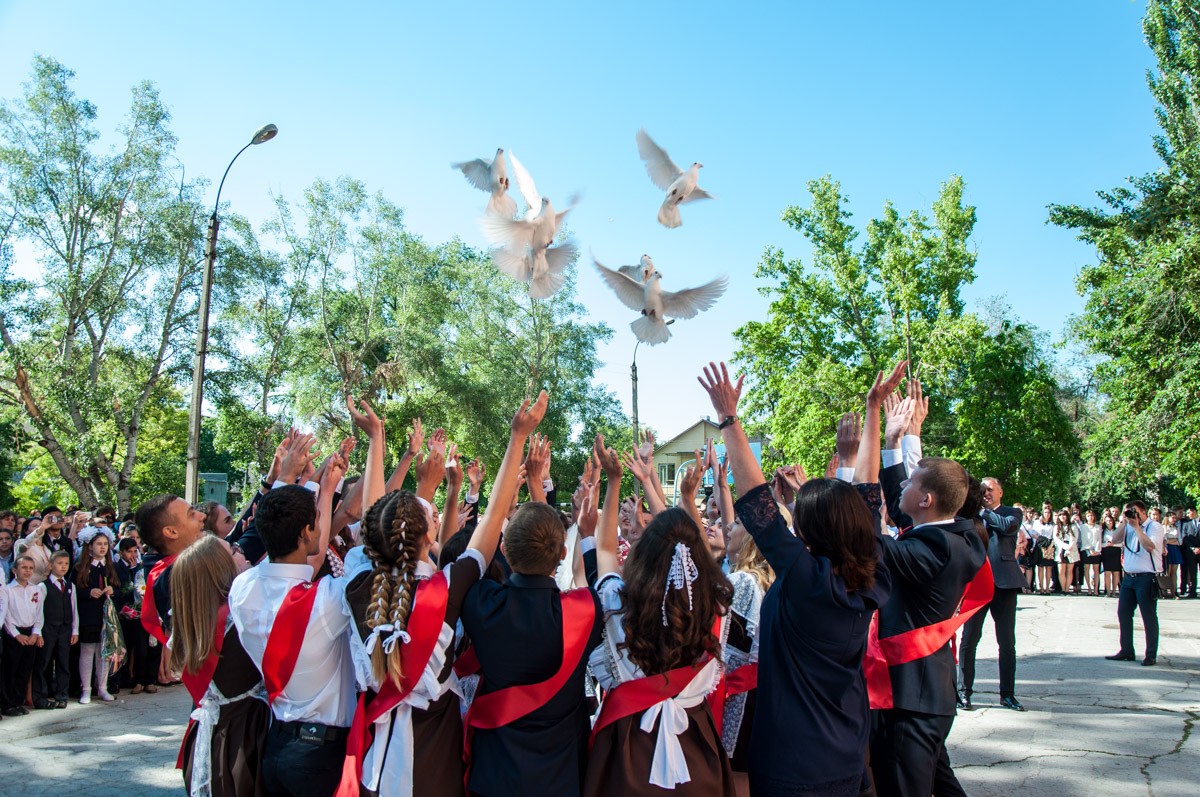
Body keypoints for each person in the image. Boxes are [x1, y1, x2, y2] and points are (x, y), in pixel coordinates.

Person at [700, 361, 889, 797]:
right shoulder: (870, 574)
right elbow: (868, 496)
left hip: (792, 763)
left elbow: (754, 502)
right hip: (845, 751)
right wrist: (871, 413)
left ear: (809, 531)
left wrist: (729, 418)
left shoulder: (808, 580)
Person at [457, 397, 605, 797]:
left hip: (495, 773)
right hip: (559, 776)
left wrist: (517, 438)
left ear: (504, 550)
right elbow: (601, 582)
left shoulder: (481, 603)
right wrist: (588, 537)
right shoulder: (583, 613)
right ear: (562, 554)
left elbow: (486, 526)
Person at [585, 430, 736, 797]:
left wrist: (615, 480)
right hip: (698, 750)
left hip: (628, 751)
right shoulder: (716, 604)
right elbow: (688, 542)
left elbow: (605, 548)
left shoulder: (616, 604)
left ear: (642, 554)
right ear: (697, 557)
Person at [872, 385, 990, 797]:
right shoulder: (960, 535)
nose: (898, 491)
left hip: (911, 701)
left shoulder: (930, 550)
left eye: (910, 484)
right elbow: (905, 502)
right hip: (929, 693)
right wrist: (897, 442)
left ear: (925, 499)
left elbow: (867, 539)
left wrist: (864, 449)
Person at [227, 444, 348, 797]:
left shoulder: (242, 588)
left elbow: (303, 558)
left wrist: (316, 489)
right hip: (319, 754)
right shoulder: (325, 601)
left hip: (276, 740)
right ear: (305, 533)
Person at [171, 534, 270, 797]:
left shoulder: (196, 621)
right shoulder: (236, 623)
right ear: (220, 568)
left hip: (210, 737)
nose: (242, 552)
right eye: (234, 549)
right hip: (242, 741)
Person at [958, 477, 1026, 712]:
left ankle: (1007, 694)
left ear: (1000, 492)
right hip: (977, 583)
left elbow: (1008, 528)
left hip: (1005, 583)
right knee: (969, 639)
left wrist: (986, 513)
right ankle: (964, 692)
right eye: (983, 490)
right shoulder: (971, 514)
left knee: (1006, 642)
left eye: (990, 490)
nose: (986, 493)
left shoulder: (1012, 513)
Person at [1106, 501, 1165, 666]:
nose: (1131, 514)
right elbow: (1113, 539)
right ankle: (1126, 650)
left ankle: (1151, 654)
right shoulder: (1128, 526)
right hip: (1129, 577)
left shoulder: (1154, 527)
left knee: (1148, 617)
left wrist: (1137, 527)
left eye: (1134, 512)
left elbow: (1149, 546)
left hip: (1146, 577)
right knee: (1123, 613)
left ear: (1143, 513)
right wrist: (1125, 522)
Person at [74, 527, 120, 703]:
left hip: (106, 616)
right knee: (88, 651)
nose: (102, 547)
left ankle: (103, 687)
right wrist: (88, 593)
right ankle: (86, 689)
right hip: (88, 615)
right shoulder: (81, 568)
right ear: (90, 546)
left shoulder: (110, 567)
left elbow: (121, 587)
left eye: (105, 544)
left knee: (104, 652)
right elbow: (74, 591)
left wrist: (112, 590)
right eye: (98, 544)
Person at [33, 550, 76, 709]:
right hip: (48, 629)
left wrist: (74, 630)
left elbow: (73, 609)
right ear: (51, 565)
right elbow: (38, 611)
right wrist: (38, 632)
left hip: (64, 629)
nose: (63, 566)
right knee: (43, 662)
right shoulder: (43, 586)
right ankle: (40, 696)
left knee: (63, 663)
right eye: (60, 563)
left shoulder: (70, 586)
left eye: (66, 564)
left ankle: (62, 695)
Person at [2, 555, 44, 716]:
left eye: (30, 568)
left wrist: (36, 633)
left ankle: (18, 701)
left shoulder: (36, 589)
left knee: (24, 669)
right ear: (14, 570)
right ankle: (7, 703)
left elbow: (39, 613)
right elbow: (6, 615)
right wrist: (15, 634)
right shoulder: (8, 590)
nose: (27, 571)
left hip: (30, 633)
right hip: (14, 634)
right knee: (10, 669)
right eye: (24, 568)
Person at [113, 537, 155, 694]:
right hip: (126, 613)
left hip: (143, 612)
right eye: (128, 551)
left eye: (134, 551)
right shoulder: (117, 568)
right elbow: (120, 588)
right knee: (133, 647)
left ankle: (148, 679)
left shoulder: (142, 567)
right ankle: (130, 678)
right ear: (121, 552)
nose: (132, 554)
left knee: (150, 646)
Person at [1053, 510, 1080, 595]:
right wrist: (1064, 546)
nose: (1062, 517)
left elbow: (1075, 538)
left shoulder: (1073, 526)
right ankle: (1063, 588)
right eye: (1060, 515)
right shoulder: (1057, 527)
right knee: (1061, 570)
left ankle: (1067, 589)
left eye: (1064, 515)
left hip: (1071, 548)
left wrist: (1069, 547)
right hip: (1061, 548)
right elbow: (1056, 539)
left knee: (1069, 570)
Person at [1175, 506, 1198, 599]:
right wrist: (1193, 548)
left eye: (1189, 513)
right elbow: (1184, 537)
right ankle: (1192, 591)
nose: (1187, 515)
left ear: (1194, 511)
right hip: (1191, 551)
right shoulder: (1186, 523)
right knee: (1192, 572)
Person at [1078, 510, 1103, 596]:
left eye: (1091, 515)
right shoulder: (1083, 527)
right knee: (1086, 568)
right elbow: (1084, 539)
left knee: (1096, 570)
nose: (1090, 517)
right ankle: (1089, 588)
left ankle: (1096, 589)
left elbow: (1099, 539)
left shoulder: (1098, 527)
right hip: (1086, 549)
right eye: (1088, 516)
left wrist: (1097, 550)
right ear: (1086, 517)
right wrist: (1089, 549)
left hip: (1096, 550)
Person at [1100, 513, 1123, 597]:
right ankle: (1108, 592)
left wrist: (1113, 544)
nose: (1109, 522)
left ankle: (1114, 591)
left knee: (1116, 573)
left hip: (1116, 551)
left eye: (1110, 520)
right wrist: (1106, 544)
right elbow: (1099, 543)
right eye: (1107, 521)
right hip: (1106, 552)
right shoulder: (1102, 531)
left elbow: (1121, 543)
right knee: (1107, 573)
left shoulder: (1117, 531)